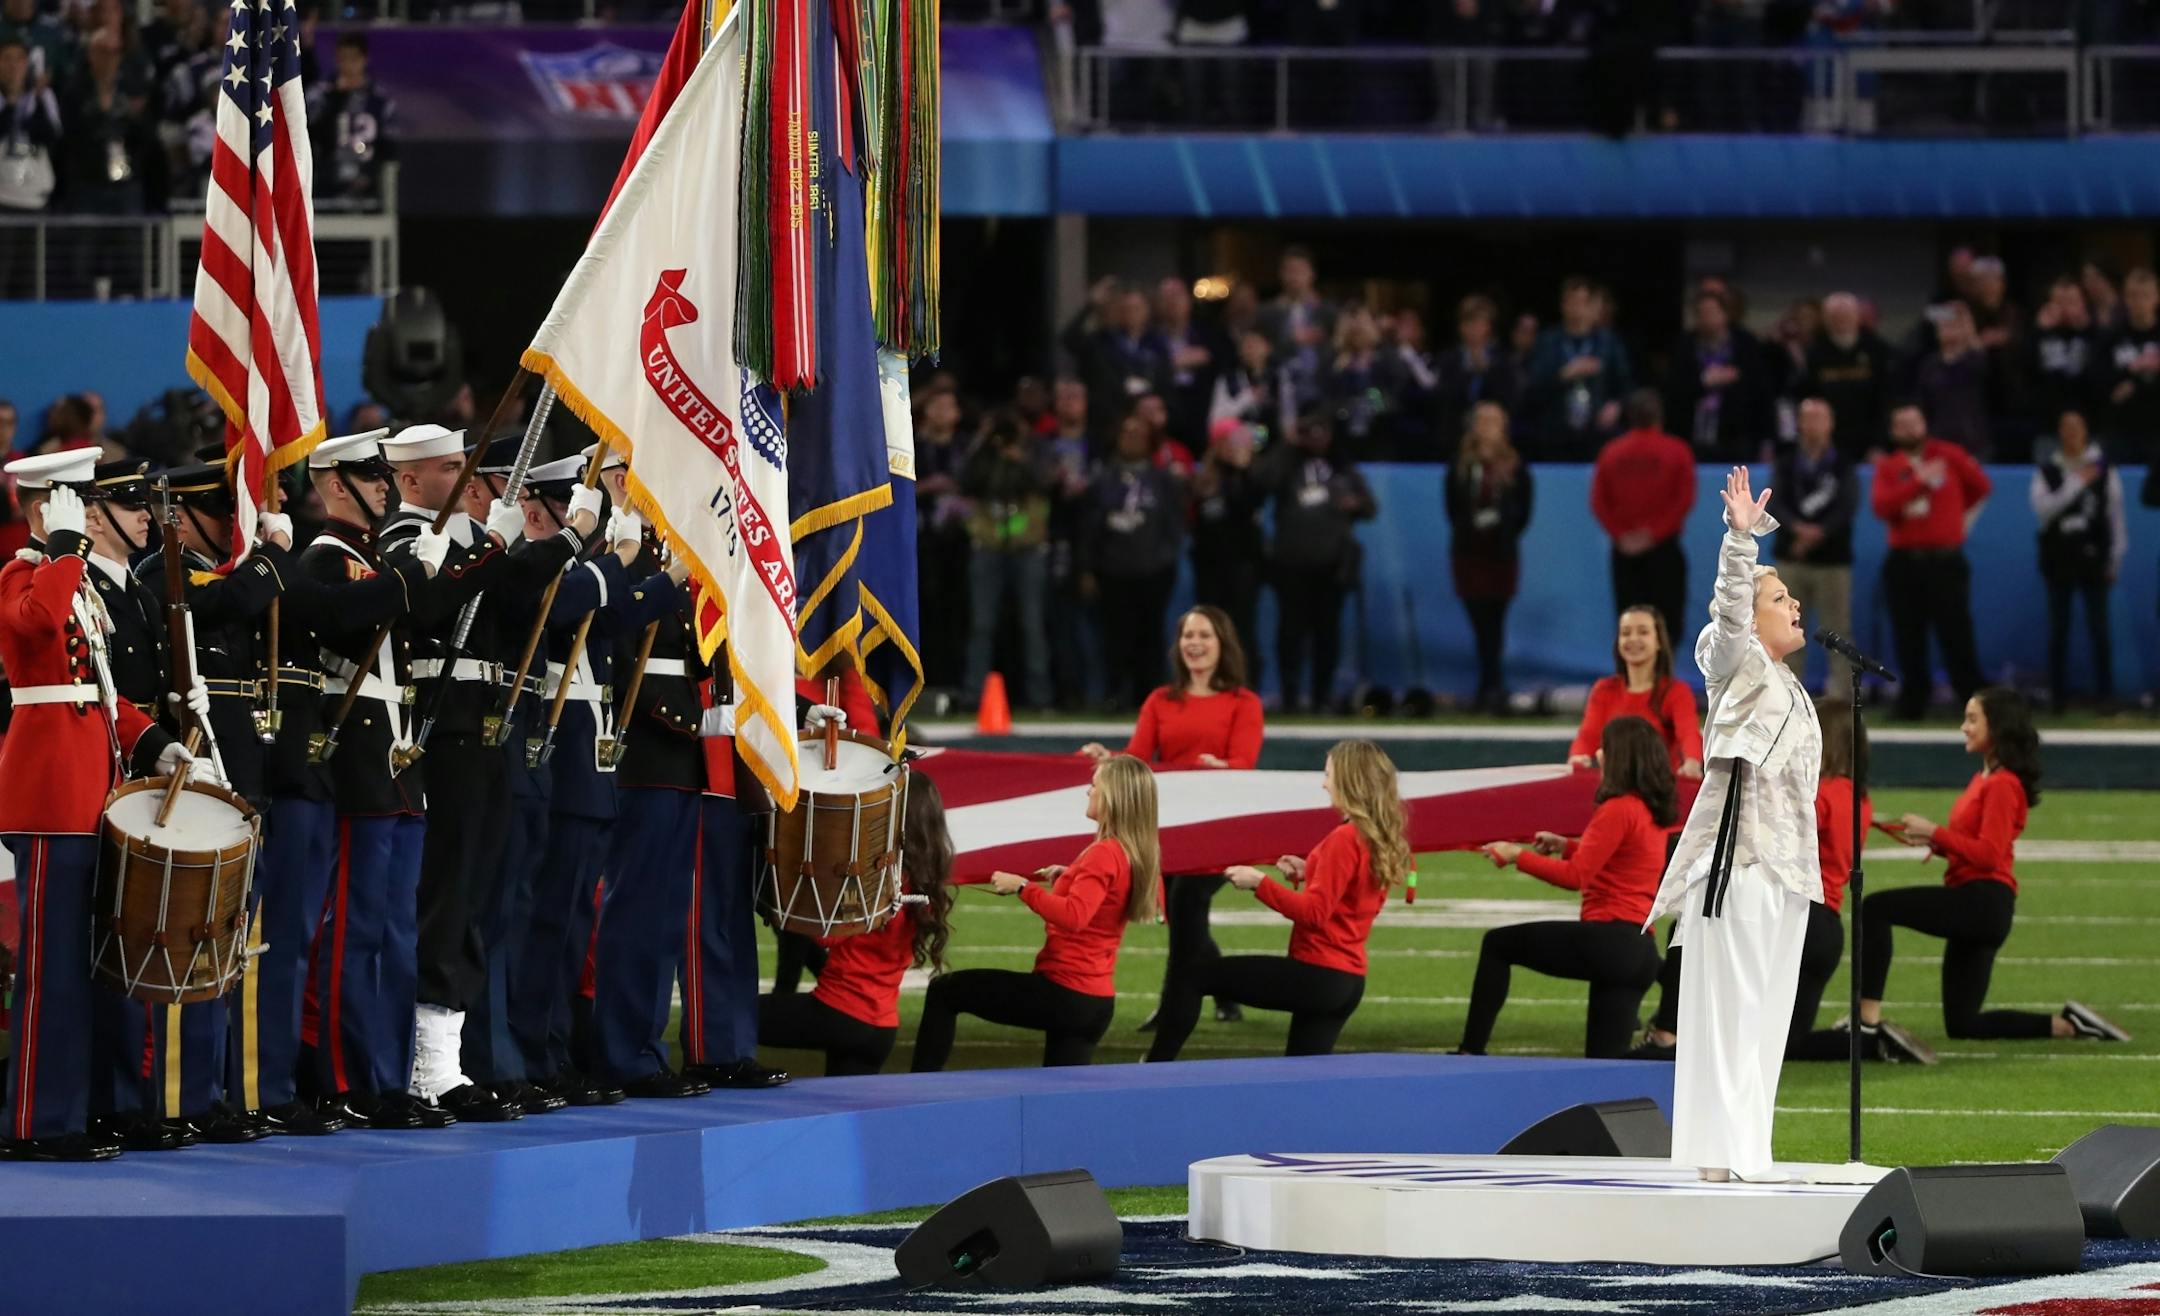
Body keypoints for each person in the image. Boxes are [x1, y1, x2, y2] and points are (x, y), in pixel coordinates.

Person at [377, 424, 596, 1121]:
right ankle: (428, 1067)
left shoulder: (474, 543)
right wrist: (543, 541)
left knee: (475, 894)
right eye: (450, 469)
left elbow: (518, 591)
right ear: (409, 480)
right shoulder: (406, 544)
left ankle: (452, 1058)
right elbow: (442, 596)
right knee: (446, 896)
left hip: (482, 729)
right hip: (440, 731)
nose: (470, 480)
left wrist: (554, 545)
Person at [0, 450, 191, 1161]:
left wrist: (153, 743)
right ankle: (40, 1121)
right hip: (48, 793)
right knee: (52, 970)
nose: (85, 512)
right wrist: (61, 551)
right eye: (74, 500)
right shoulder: (25, 577)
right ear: (45, 506)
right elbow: (39, 627)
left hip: (96, 788)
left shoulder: (73, 583)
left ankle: (99, 1108)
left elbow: (101, 691)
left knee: (99, 963)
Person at [1644, 466, 1821, 1184]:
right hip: (1739, 866)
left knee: (1767, 1019)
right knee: (1733, 1014)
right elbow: (1726, 614)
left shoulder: (1793, 689)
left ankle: (1744, 1153)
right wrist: (1740, 541)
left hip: (1786, 873)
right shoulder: (1736, 661)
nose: (1797, 602)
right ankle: (1725, 1158)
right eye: (1781, 598)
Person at [303, 432, 458, 1131]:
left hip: (399, 757)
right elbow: (337, 616)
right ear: (336, 484)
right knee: (354, 930)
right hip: (360, 758)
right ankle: (346, 1077)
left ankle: (391, 1079)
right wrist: (405, 579)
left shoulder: (376, 559)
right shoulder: (326, 558)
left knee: (398, 932)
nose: (385, 487)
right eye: (371, 477)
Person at [1862, 688, 2130, 1053]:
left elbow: (1989, 855)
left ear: (1998, 728)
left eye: (1973, 719)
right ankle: (2070, 1025)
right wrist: (1936, 844)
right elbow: (1979, 847)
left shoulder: (2003, 785)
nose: (1963, 727)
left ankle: (1866, 1020)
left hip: (1981, 901)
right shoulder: (1986, 779)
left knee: (1876, 908)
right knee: (1964, 1025)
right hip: (1980, 902)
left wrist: (1934, 831)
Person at [1148, 739, 1408, 1062]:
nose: (1324, 783)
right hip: (1347, 982)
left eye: (1328, 775)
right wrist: (1308, 871)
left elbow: (1313, 913)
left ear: (1349, 782)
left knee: (1191, 977)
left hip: (1319, 974)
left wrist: (1259, 883)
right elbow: (1353, 898)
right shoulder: (1370, 835)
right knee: (1302, 1085)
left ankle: (1152, 1070)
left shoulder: (1344, 838)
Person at [911, 754, 1160, 1071]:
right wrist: (1068, 876)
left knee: (945, 992)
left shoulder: (1103, 853)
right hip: (1094, 1001)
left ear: (1113, 797)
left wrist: (1022, 887)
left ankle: (917, 1087)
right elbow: (1104, 899)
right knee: (1061, 1103)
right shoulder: (1129, 851)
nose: (1088, 791)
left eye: (1094, 785)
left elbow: (1074, 916)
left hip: (1065, 993)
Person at [1081, 604, 1261, 1034]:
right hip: (1172, 830)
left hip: (1221, 828)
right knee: (1182, 913)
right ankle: (1225, 991)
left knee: (1187, 902)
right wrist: (1108, 760)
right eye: (1187, 636)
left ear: (1223, 645)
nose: (1195, 644)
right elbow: (1137, 760)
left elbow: (1246, 764)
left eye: (1204, 636)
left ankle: (1174, 1006)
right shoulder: (1161, 700)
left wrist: (1223, 768)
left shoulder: (1244, 703)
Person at [1469, 717, 1671, 1059]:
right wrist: (1566, 845)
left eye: (1605, 746)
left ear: (1621, 756)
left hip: (1610, 942)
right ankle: (1689, 1057)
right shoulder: (1647, 810)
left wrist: (1517, 855)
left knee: (1497, 945)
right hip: (1639, 952)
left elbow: (1575, 877)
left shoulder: (1617, 808)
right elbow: (1618, 860)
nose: (1596, 753)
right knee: (1607, 1065)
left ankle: (1469, 1051)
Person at [756, 775, 955, 1076]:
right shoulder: (926, 877)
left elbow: (827, 937)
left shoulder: (879, 876)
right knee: (842, 1116)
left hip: (840, 1014)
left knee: (724, 1017)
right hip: (881, 1027)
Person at [1872, 402, 1990, 720]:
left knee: (1957, 633)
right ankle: (1913, 700)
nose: (1910, 430)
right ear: (1893, 431)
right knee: (1908, 635)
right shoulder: (1889, 466)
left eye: (1914, 422)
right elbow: (1882, 506)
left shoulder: (1949, 455)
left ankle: (1970, 700)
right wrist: (1919, 483)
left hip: (1945, 559)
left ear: (1925, 424)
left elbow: (1981, 487)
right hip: (1905, 561)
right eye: (1902, 424)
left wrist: (1956, 521)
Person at [1261, 409, 1375, 714]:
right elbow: (1263, 480)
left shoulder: (1341, 467)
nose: (1317, 437)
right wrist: (1287, 444)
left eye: (1322, 430)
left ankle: (1321, 697)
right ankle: (1290, 697)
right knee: (1291, 634)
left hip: (1331, 566)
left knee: (1327, 634)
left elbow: (1370, 507)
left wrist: (1356, 503)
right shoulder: (1288, 466)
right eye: (1310, 431)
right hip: (1291, 565)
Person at [1783, 698, 1878, 1062]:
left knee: (1767, 1039)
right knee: (1790, 1044)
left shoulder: (1819, 793)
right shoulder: (1860, 796)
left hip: (1798, 919)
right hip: (1827, 926)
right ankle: (1868, 1042)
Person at [1078, 410, 1186, 710]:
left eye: (1139, 434)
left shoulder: (1163, 481)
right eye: (1127, 433)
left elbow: (1174, 525)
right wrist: (1087, 569)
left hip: (1153, 571)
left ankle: (1150, 698)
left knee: (1150, 637)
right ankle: (1114, 695)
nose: (1132, 439)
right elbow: (1090, 528)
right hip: (1113, 570)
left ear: (1150, 440)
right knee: (1114, 637)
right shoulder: (1102, 479)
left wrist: (1164, 561)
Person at [2029, 410, 2126, 710]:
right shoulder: (2048, 471)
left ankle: (2106, 696)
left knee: (2099, 629)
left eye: (2076, 427)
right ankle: (2057, 697)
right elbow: (2044, 511)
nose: (2071, 432)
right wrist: (2075, 483)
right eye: (2065, 427)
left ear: (2086, 431)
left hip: (2093, 559)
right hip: (2059, 559)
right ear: (2058, 432)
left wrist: (2114, 561)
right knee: (2059, 629)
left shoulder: (2104, 470)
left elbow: (2115, 518)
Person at [960, 412, 1054, 711]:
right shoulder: (984, 454)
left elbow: (1046, 482)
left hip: (1028, 547)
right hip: (988, 546)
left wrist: (1021, 455)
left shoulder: (1035, 450)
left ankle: (1041, 699)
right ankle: (973, 696)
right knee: (981, 625)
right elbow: (966, 481)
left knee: (1032, 624)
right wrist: (982, 442)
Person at [1590, 389, 1697, 650]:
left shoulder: (1611, 453)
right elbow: (1683, 500)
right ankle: (1663, 683)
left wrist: (1621, 535)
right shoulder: (1677, 451)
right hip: (1663, 551)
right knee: (1667, 625)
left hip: (1625, 553)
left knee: (1632, 625)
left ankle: (1637, 684)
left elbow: (1598, 502)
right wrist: (1654, 534)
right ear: (1660, 416)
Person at [1445, 401, 1534, 713]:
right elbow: (1452, 508)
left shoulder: (1514, 465)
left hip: (1501, 553)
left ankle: (1493, 685)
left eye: (1494, 421)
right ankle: (1487, 684)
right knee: (1479, 620)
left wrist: (1502, 527)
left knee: (1495, 621)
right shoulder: (1461, 465)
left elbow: (1524, 509)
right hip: (1470, 552)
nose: (1487, 427)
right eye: (1482, 421)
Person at [1767, 397, 1858, 692]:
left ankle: (1841, 699)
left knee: (1837, 631)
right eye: (1807, 418)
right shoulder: (1785, 463)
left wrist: (1818, 533)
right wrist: (1797, 530)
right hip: (1791, 559)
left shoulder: (1843, 465)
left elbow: (1847, 507)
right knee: (1785, 630)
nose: (1813, 425)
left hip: (1832, 561)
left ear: (1831, 424)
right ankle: (1786, 697)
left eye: (1820, 418)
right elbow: (1775, 503)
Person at [1567, 606, 1703, 780]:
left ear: (1659, 641)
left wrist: (1692, 763)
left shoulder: (1676, 692)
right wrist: (1577, 759)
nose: (1633, 639)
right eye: (1625, 633)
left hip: (1660, 791)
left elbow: (1689, 733)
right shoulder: (1604, 690)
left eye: (1643, 632)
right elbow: (1587, 736)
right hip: (1613, 787)